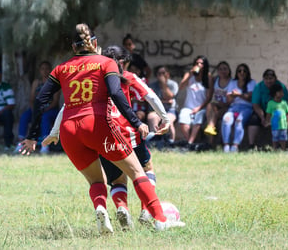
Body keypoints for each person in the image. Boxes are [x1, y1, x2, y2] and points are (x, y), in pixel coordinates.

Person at [19, 24, 184, 234]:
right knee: (137, 171)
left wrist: (33, 136)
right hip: (96, 125)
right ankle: (161, 220)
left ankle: (101, 209)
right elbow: (116, 94)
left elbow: (41, 99)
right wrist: (136, 122)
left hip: (70, 131)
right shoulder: (106, 63)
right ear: (95, 44)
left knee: (97, 180)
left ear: (73, 47)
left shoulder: (62, 67)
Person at [45, 45, 171, 230]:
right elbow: (150, 95)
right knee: (145, 169)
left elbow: (68, 107)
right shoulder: (128, 77)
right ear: (121, 63)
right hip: (129, 135)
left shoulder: (94, 78)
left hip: (104, 136)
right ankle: (148, 211)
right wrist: (165, 118)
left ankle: (122, 207)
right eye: (126, 64)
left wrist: (55, 132)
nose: (126, 68)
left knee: (117, 180)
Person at [16, 61, 60, 153]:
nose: (45, 71)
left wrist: (44, 110)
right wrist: (34, 109)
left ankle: (45, 145)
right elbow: (32, 99)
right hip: (37, 109)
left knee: (45, 117)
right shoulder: (36, 82)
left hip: (50, 110)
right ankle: (21, 142)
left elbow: (55, 102)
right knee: (25, 116)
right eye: (42, 69)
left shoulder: (55, 82)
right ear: (40, 71)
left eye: (47, 68)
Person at [247, 69, 288, 149]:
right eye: (266, 79)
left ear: (275, 78)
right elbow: (255, 104)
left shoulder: (281, 86)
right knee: (253, 120)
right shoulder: (259, 87)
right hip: (262, 110)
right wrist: (263, 117)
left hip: (277, 111)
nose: (268, 81)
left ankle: (280, 146)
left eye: (271, 78)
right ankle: (251, 145)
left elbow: (285, 103)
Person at [178, 55, 214, 147]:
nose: (199, 65)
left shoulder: (208, 77)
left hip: (201, 107)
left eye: (201, 63)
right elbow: (181, 87)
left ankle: (189, 144)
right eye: (197, 63)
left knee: (198, 119)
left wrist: (199, 108)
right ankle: (191, 142)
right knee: (183, 120)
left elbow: (209, 97)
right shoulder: (189, 75)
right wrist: (190, 75)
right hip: (188, 107)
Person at [221, 64, 256, 153]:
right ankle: (226, 145)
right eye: (239, 71)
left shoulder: (251, 83)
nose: (242, 73)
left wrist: (238, 95)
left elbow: (250, 98)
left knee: (239, 121)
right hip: (233, 107)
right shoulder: (233, 83)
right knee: (226, 119)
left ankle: (235, 145)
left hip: (246, 108)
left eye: (244, 71)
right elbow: (228, 99)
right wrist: (235, 96)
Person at [147, 66, 178, 144]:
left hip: (170, 110)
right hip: (156, 110)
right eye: (159, 74)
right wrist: (165, 101)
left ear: (168, 74)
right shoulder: (152, 85)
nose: (161, 75)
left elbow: (169, 96)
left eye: (163, 73)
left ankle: (171, 142)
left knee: (169, 121)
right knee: (152, 117)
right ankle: (154, 140)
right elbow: (152, 100)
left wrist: (164, 83)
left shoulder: (173, 84)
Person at [204, 61, 232, 142]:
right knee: (210, 106)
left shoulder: (232, 81)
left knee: (214, 115)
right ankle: (211, 128)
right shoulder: (215, 80)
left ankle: (210, 141)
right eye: (220, 69)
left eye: (225, 69)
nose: (223, 71)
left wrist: (224, 104)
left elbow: (232, 100)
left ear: (229, 70)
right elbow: (210, 93)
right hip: (217, 105)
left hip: (228, 106)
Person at [265, 84, 288, 150]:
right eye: (280, 92)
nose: (282, 93)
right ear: (274, 93)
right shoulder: (270, 103)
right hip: (275, 125)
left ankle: (283, 148)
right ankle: (274, 148)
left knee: (283, 137)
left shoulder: (284, 103)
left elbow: (287, 113)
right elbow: (268, 113)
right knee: (275, 137)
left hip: (283, 124)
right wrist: (267, 121)